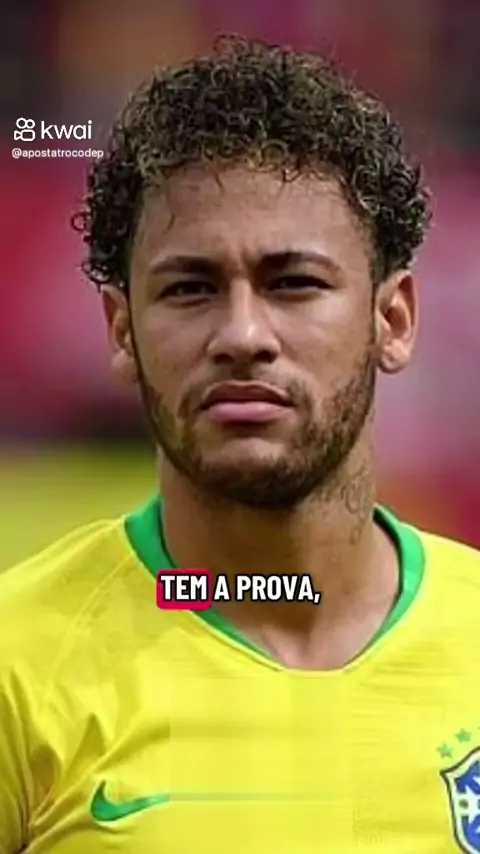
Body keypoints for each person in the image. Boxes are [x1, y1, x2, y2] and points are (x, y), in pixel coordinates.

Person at [1, 35, 479, 854]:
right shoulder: (20, 662)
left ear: (392, 320)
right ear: (122, 331)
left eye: (295, 283)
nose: (243, 335)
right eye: (190, 288)